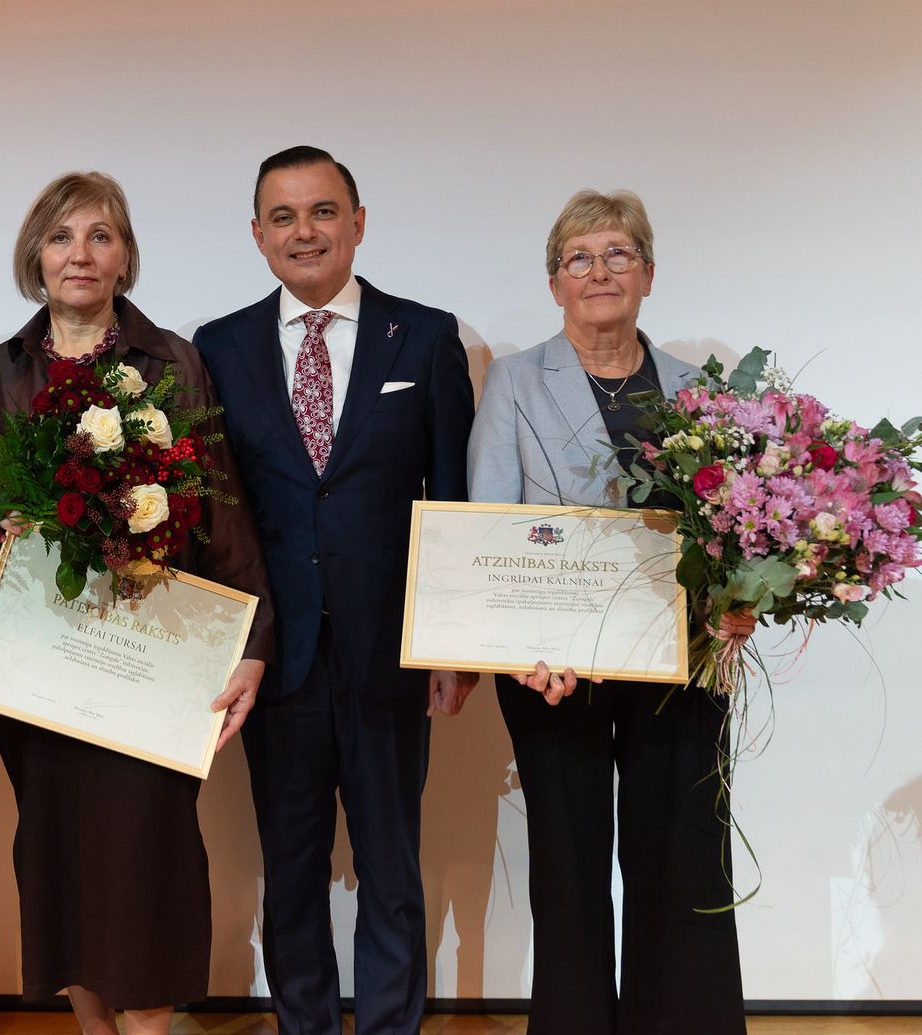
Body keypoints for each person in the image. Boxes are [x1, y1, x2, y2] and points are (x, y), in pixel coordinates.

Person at [0, 171, 276, 1035]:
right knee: (56, 849)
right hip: (42, 659)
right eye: (62, 237)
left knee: (148, 855)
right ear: (36, 255)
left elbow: (216, 504)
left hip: (150, 651)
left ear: (126, 256)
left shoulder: (171, 361)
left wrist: (252, 640)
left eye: (101, 236)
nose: (81, 254)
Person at [191, 146, 476, 1035]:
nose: (304, 232)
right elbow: (216, 510)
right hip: (275, 658)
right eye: (283, 217)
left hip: (389, 650)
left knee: (392, 866)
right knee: (291, 865)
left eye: (322, 212)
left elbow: (452, 502)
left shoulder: (424, 336)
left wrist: (451, 643)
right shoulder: (219, 347)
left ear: (358, 222)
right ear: (257, 235)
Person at [466, 189, 752, 1034]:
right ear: (555, 281)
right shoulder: (515, 381)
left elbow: (736, 526)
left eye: (618, 254)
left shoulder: (698, 390)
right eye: (579, 258)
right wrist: (522, 649)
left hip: (682, 660)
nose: (599, 272)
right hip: (553, 670)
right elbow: (491, 527)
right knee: (569, 869)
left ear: (649, 274)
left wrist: (737, 604)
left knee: (685, 862)